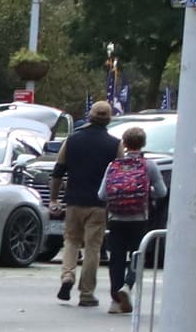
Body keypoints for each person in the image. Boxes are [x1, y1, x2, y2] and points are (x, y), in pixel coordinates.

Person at [54, 100, 120, 306]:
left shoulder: (72, 141)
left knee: (71, 241)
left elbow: (58, 171)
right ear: (109, 119)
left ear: (89, 116)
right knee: (93, 247)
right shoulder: (115, 144)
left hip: (74, 201)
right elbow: (118, 174)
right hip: (99, 204)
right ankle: (86, 293)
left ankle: (67, 275)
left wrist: (55, 198)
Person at [98, 125, 156, 314]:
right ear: (143, 144)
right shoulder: (149, 166)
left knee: (116, 258)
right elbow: (162, 191)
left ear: (124, 143)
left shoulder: (113, 166)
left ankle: (115, 301)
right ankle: (128, 285)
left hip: (116, 218)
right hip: (139, 217)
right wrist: (149, 192)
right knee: (138, 255)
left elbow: (102, 194)